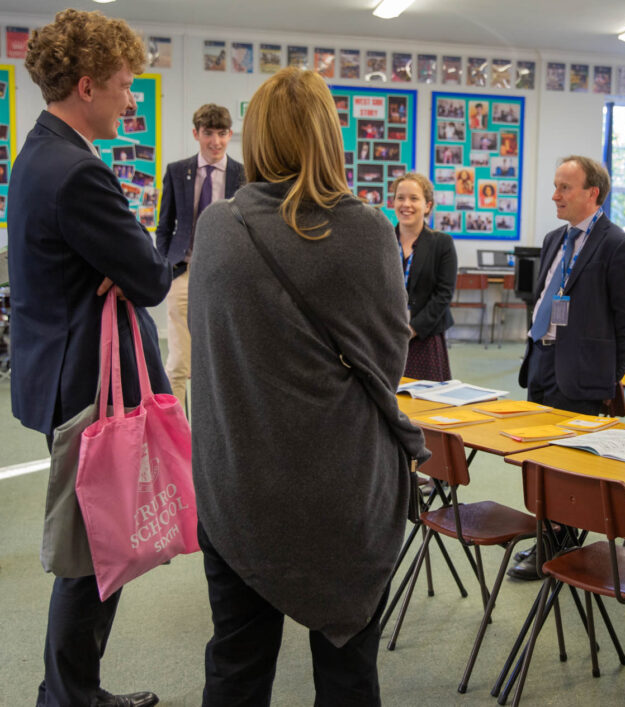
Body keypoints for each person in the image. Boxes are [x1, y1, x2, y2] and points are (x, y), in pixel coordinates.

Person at [188, 67, 427, 705]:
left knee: (236, 668)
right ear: (329, 136)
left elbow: (210, 353)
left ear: (257, 137)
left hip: (239, 485)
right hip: (343, 489)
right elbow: (386, 361)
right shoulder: (367, 230)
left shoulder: (217, 228)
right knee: (349, 678)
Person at [8, 10, 169, 706]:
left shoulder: (39, 152)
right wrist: (127, 263)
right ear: (86, 86)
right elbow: (152, 275)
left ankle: (74, 689)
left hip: (57, 372)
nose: (130, 99)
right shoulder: (77, 171)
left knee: (94, 548)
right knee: (93, 554)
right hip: (86, 388)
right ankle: (67, 697)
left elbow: (129, 267)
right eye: (124, 85)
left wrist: (123, 263)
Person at [508, 155, 625, 580]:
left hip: (582, 372)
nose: (555, 195)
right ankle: (547, 532)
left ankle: (559, 545)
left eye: (564, 188)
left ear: (592, 193)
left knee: (569, 463)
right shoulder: (555, 239)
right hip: (542, 359)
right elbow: (545, 295)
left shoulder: (617, 244)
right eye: (555, 186)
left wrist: (610, 375)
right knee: (541, 457)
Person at [155, 104, 244, 405]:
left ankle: (217, 427)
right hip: (183, 272)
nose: (215, 142)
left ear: (230, 134)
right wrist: (165, 266)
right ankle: (178, 432)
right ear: (196, 134)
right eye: (208, 133)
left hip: (225, 276)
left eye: (222, 133)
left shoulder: (242, 175)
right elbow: (164, 226)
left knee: (222, 360)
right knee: (178, 363)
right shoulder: (177, 171)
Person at [392, 172, 457, 381]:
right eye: (400, 198)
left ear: (427, 206)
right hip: (388, 336)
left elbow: (443, 294)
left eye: (414, 198)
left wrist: (412, 329)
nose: (406, 204)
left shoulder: (442, 243)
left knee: (423, 396)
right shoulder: (383, 241)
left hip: (425, 336)